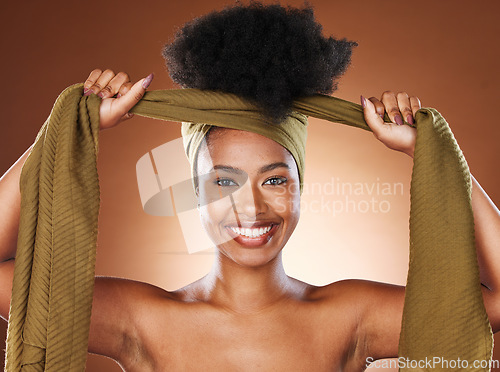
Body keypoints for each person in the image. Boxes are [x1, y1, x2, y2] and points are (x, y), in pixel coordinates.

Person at [1, 3, 499, 371]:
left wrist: (433, 156)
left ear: (302, 186)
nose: (251, 207)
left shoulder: (352, 316)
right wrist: (67, 132)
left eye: (275, 179)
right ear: (193, 191)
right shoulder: (139, 319)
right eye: (223, 181)